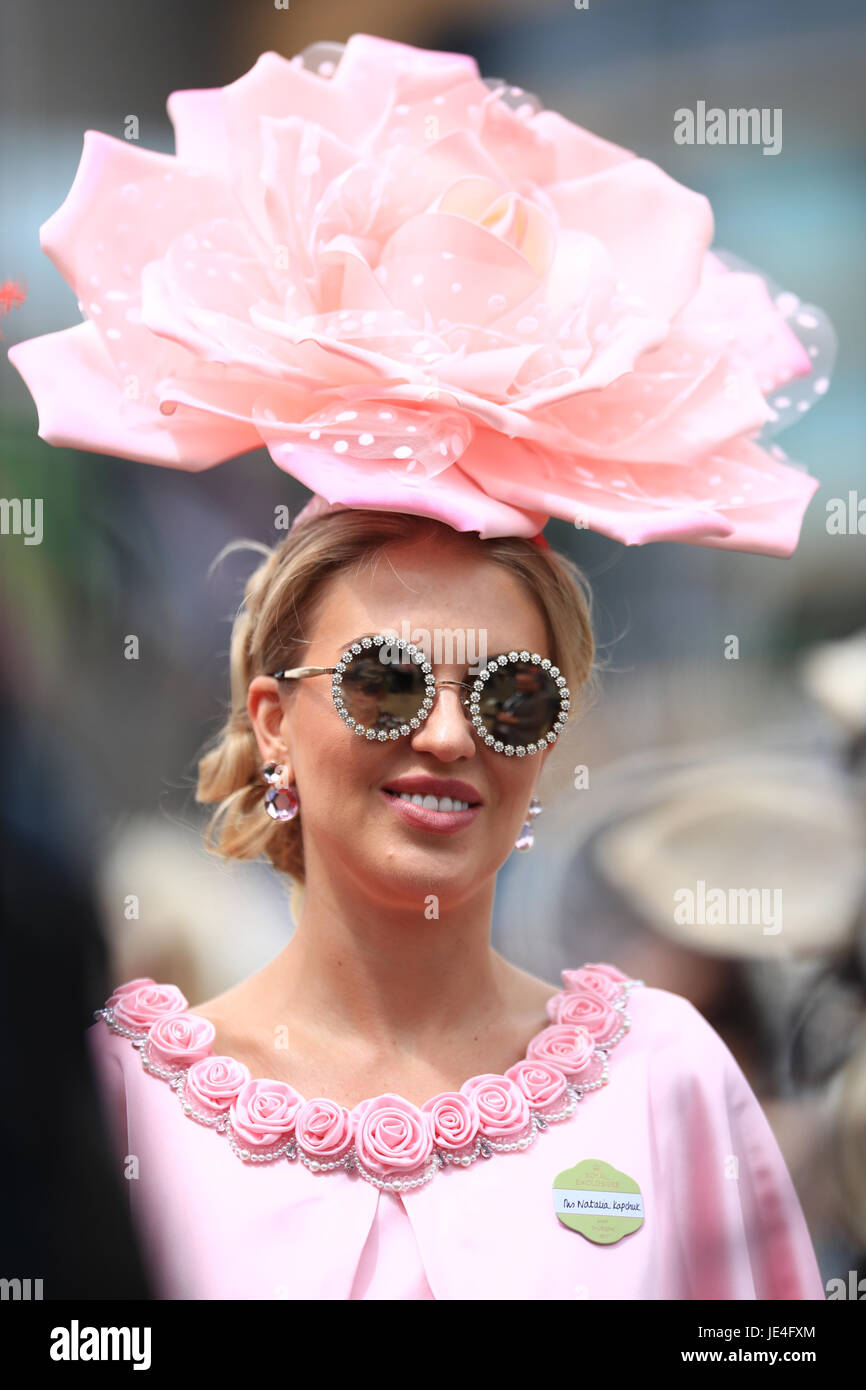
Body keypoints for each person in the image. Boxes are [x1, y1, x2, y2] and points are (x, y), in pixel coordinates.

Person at [7, 33, 833, 1300]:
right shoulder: (117, 1096)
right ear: (272, 721)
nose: (448, 735)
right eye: (387, 682)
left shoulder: (662, 1077)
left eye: (511, 697)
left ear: (548, 739)